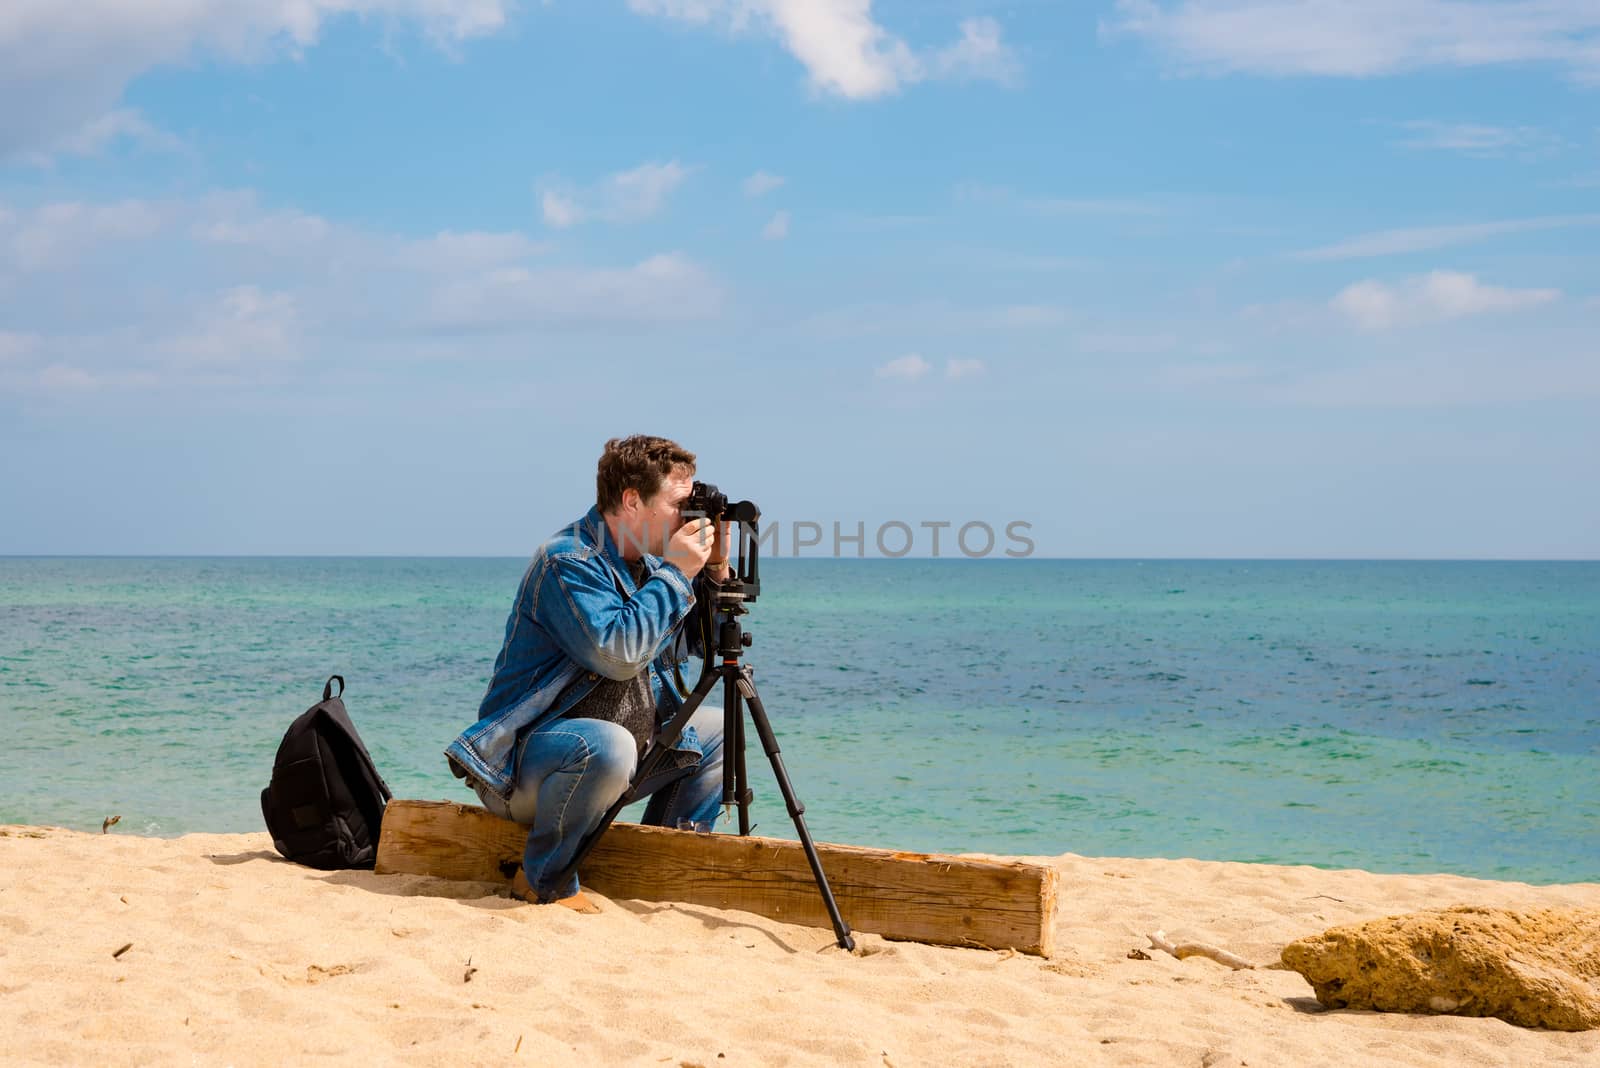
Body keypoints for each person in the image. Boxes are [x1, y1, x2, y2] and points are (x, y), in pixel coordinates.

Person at [444, 435, 729, 913]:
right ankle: (543, 881)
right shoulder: (568, 561)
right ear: (632, 500)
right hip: (529, 764)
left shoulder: (650, 566)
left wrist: (715, 571)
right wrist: (678, 575)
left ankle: (661, 869)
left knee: (719, 730)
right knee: (608, 744)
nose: (688, 519)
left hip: (614, 750)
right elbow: (619, 654)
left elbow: (711, 650)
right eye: (679, 504)